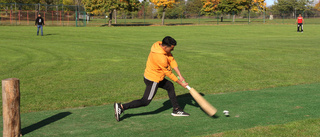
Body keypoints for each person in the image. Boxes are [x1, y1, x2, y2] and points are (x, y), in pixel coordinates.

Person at [114, 36, 190, 122]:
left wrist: (180, 75)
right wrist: (181, 83)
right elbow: (168, 73)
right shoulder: (160, 57)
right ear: (165, 47)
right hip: (153, 79)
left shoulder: (159, 45)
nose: (172, 50)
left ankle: (176, 109)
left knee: (170, 86)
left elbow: (171, 60)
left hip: (154, 76)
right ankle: (121, 107)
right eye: (171, 48)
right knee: (145, 101)